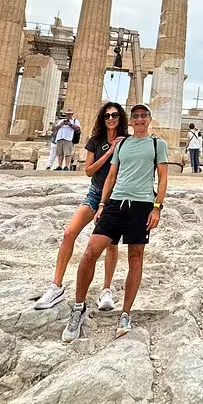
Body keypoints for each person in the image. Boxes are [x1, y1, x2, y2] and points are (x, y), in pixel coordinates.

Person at [63, 103, 168, 342]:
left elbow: (163, 177)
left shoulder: (158, 144)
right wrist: (101, 204)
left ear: (149, 119)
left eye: (144, 116)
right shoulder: (122, 144)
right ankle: (78, 307)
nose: (140, 119)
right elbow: (111, 175)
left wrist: (157, 208)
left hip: (141, 205)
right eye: (136, 116)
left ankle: (125, 313)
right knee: (91, 251)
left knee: (135, 258)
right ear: (130, 121)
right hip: (114, 203)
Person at [35, 102, 127, 311]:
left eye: (114, 115)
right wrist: (111, 151)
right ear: (102, 119)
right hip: (95, 194)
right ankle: (56, 286)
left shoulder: (128, 141)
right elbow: (88, 170)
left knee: (111, 244)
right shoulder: (95, 141)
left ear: (120, 117)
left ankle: (106, 290)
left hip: (115, 197)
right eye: (107, 116)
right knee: (69, 233)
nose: (111, 119)